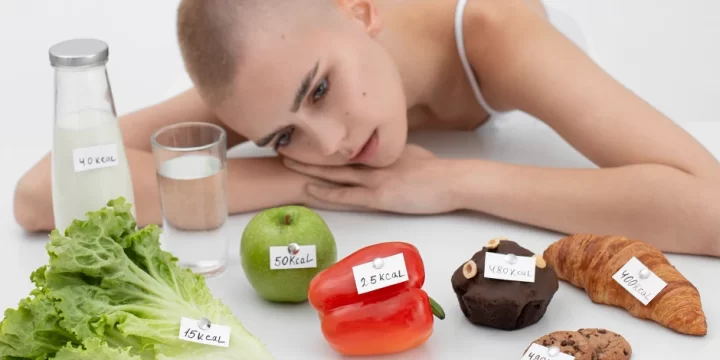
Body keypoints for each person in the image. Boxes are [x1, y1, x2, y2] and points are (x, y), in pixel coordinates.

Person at [14, 0, 720, 257]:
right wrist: (299, 181)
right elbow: (41, 194)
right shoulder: (272, 66)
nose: (331, 145)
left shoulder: (495, 32)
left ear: (358, 10)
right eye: (283, 135)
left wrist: (450, 182)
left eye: (319, 89)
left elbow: (711, 209)